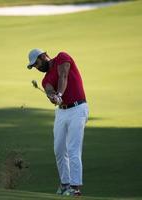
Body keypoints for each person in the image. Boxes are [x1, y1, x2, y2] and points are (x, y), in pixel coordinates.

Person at [27, 48, 89, 196]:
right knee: (59, 149)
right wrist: (53, 97)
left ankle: (75, 188)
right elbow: (49, 90)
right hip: (62, 112)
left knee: (73, 149)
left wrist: (60, 94)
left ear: (44, 56)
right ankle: (64, 185)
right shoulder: (45, 79)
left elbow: (63, 76)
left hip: (78, 108)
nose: (37, 67)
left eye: (37, 63)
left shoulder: (62, 57)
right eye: (34, 66)